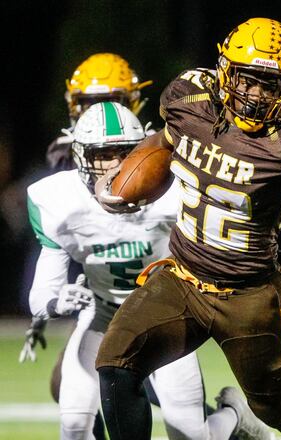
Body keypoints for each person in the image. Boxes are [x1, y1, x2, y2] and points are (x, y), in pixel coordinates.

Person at [92, 17, 281, 440]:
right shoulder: (191, 99)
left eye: (272, 83)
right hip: (182, 279)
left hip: (249, 296)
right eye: (250, 79)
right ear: (227, 71)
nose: (259, 93)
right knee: (116, 363)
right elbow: (165, 141)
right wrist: (122, 176)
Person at [27, 102, 263, 440]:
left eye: (123, 152)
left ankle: (234, 417)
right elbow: (41, 293)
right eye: (100, 155)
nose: (112, 165)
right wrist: (56, 301)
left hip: (164, 319)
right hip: (103, 318)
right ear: (79, 156)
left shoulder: (177, 189)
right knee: (74, 426)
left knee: (190, 436)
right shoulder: (57, 201)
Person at [19, 52, 154, 440]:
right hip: (99, 295)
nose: (102, 110)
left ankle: (226, 423)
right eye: (90, 103)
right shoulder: (67, 156)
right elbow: (61, 239)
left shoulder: (151, 150)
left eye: (111, 99)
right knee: (70, 387)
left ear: (133, 104)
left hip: (155, 287)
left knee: (174, 400)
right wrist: (48, 303)